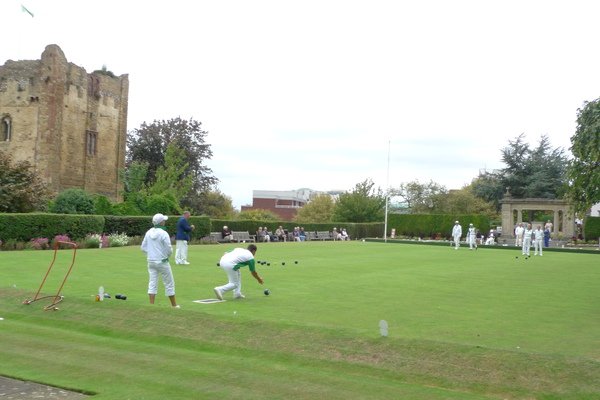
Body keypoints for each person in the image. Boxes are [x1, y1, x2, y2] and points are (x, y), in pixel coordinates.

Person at [141, 213, 179, 308]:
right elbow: (168, 248)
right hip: (162, 261)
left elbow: (143, 247)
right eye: (164, 220)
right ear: (161, 222)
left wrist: (150, 254)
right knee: (169, 282)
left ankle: (151, 305)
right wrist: (167, 255)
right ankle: (174, 305)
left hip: (151, 261)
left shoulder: (149, 232)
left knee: (152, 282)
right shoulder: (164, 233)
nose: (165, 222)